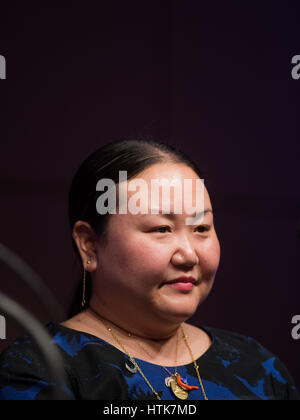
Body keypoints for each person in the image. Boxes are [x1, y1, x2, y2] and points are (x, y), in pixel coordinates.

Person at [0, 139, 299, 400]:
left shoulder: (258, 367)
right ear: (89, 244)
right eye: (161, 228)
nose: (188, 255)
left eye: (202, 227)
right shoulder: (38, 370)